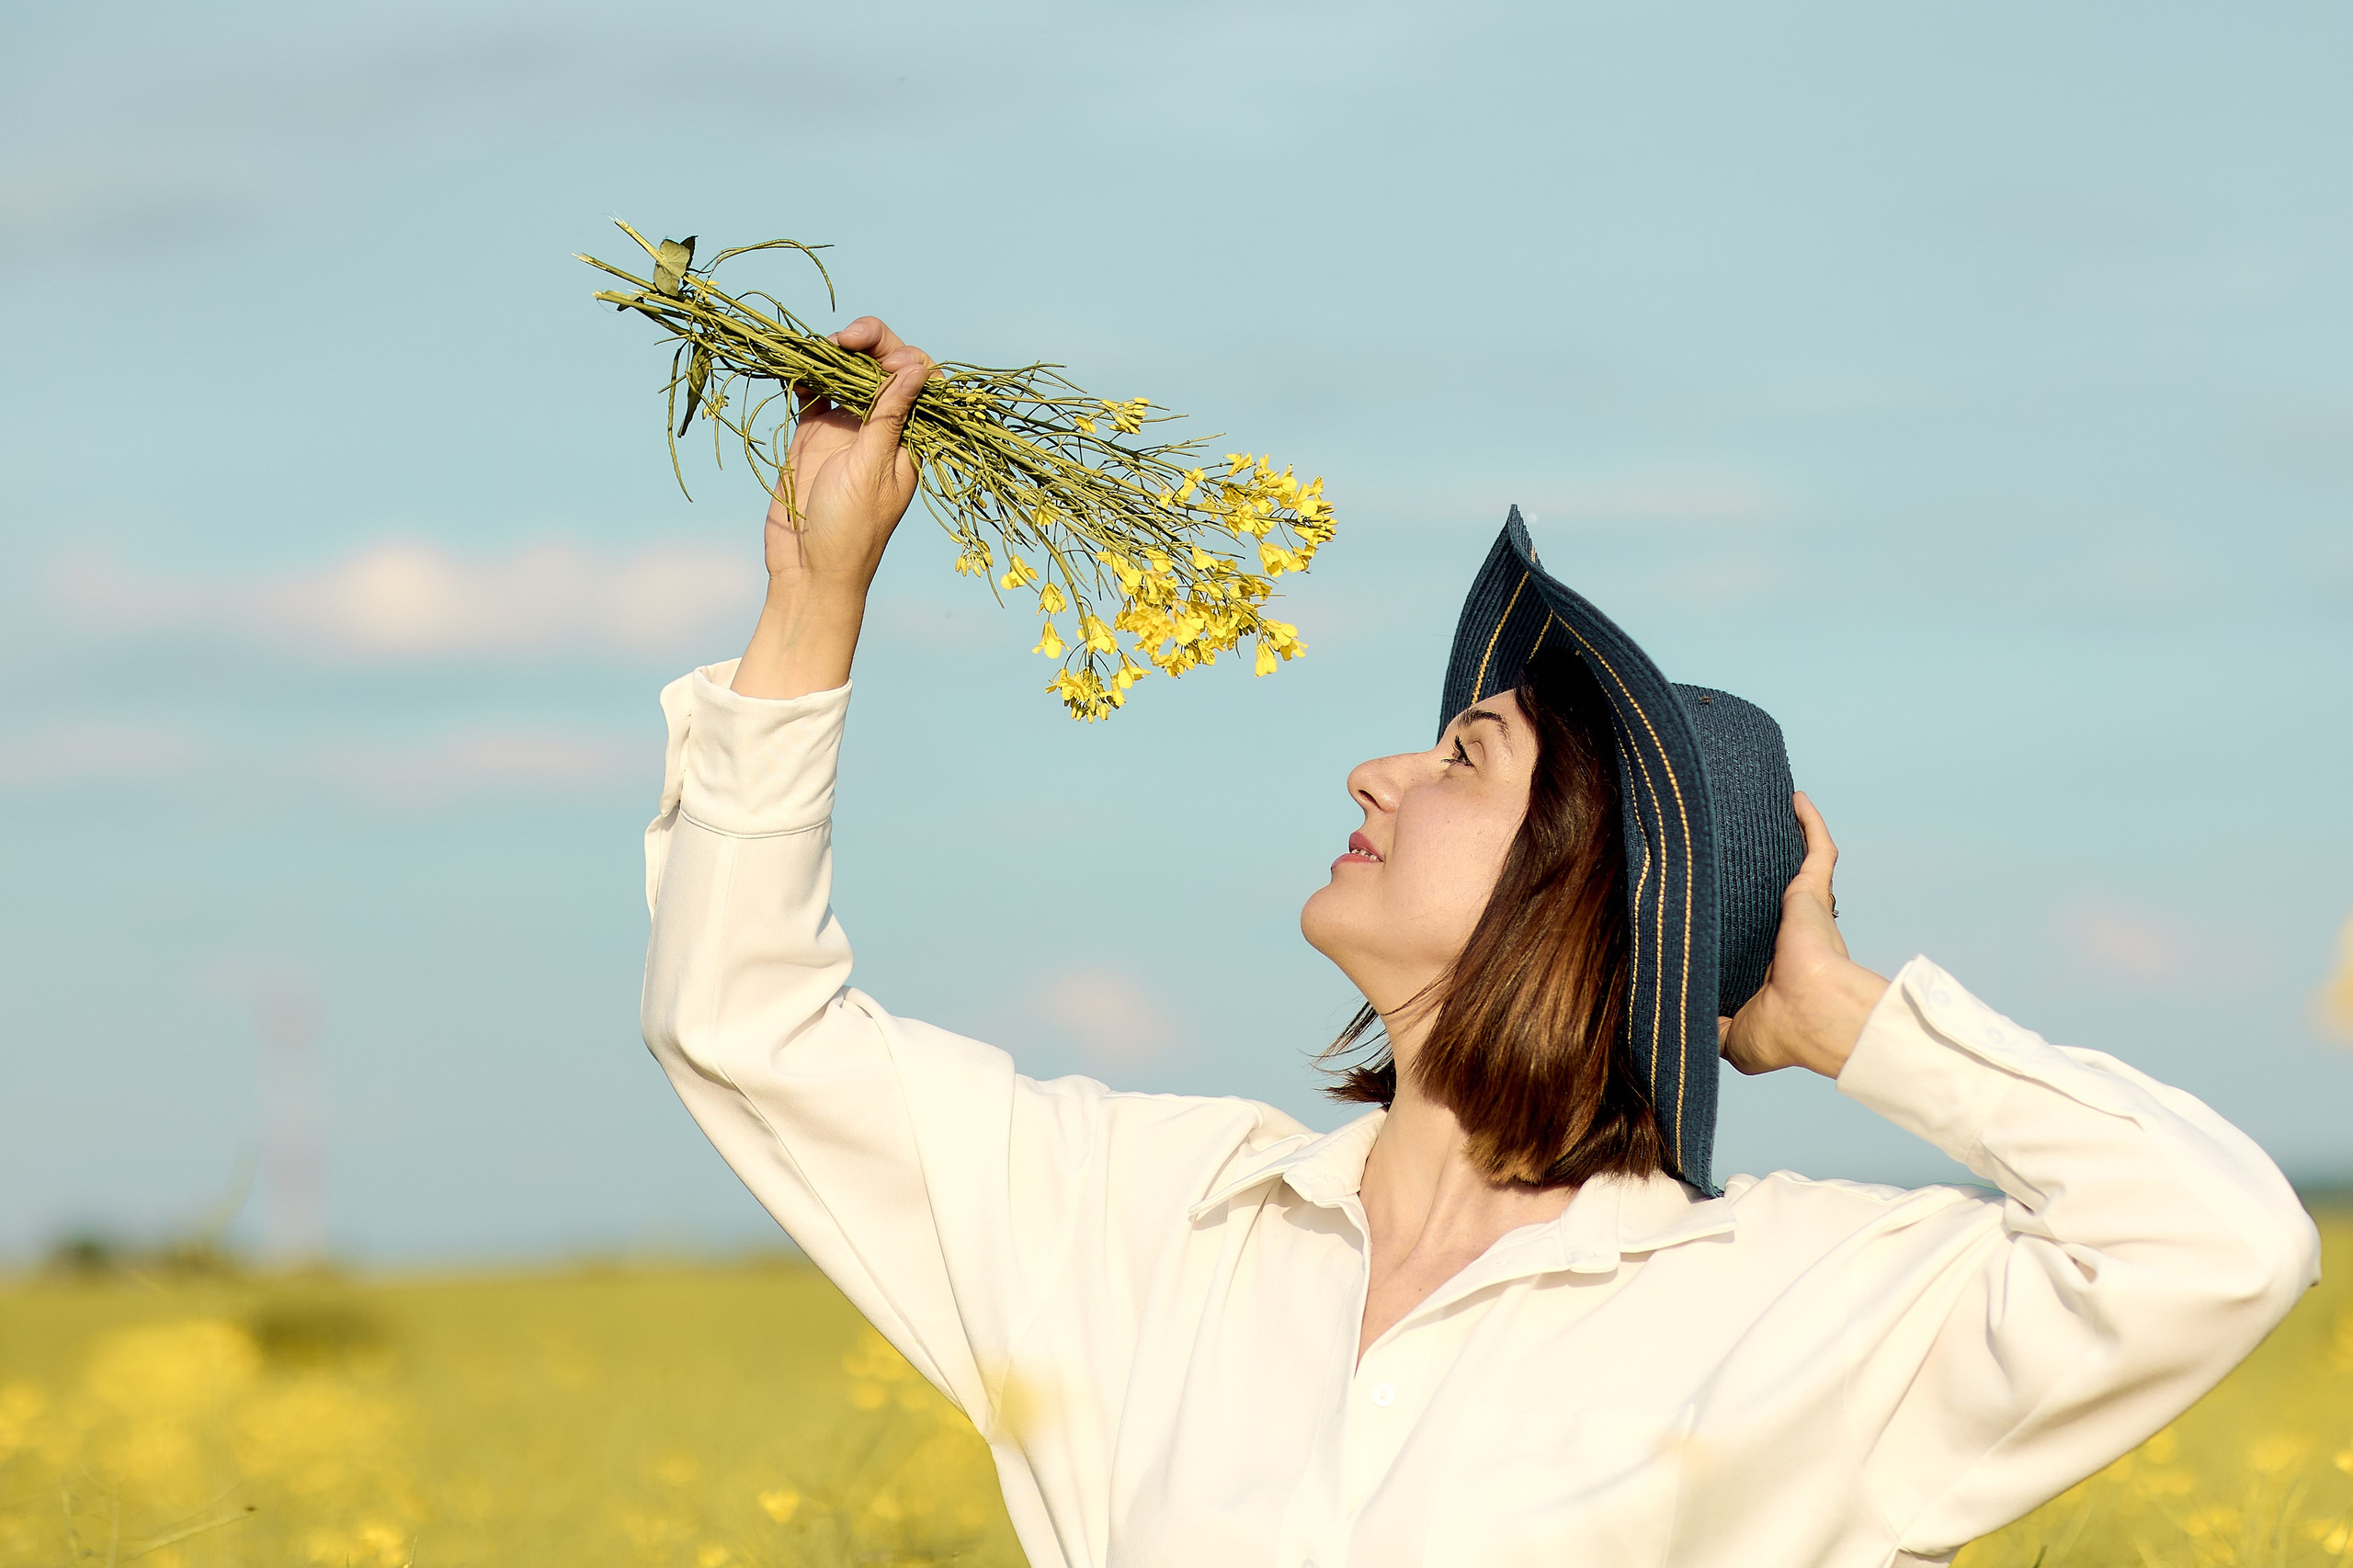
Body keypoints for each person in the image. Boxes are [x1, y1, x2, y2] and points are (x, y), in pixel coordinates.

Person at [639, 318, 2319, 1568]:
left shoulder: (1798, 1308)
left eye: (1463, 761)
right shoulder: (1154, 1223)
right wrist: (814, 602)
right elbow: (745, 1024)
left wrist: (1831, 1010)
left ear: (1580, 891)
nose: (1377, 767)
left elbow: (2220, 1244)